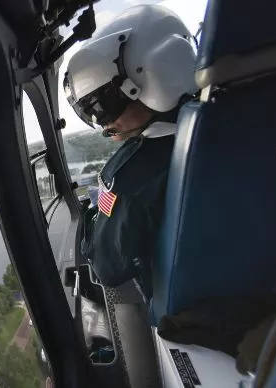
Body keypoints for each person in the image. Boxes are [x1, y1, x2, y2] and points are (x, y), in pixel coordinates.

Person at [63, 5, 197, 298]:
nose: (105, 125)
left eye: (102, 107)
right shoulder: (236, 120)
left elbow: (108, 268)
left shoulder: (126, 178)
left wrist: (92, 216)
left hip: (191, 316)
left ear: (158, 75)